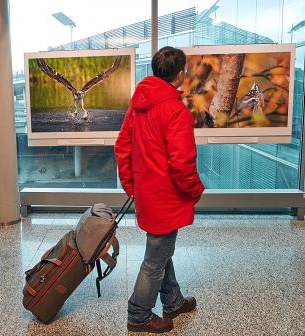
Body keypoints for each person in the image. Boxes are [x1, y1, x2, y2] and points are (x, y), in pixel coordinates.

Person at [115, 46, 205, 333]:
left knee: (161, 250)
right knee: (154, 260)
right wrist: (195, 190)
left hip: (148, 194)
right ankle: (138, 314)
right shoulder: (176, 111)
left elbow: (123, 148)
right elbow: (181, 164)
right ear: (180, 75)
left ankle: (174, 301)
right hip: (167, 197)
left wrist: (132, 185)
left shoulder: (137, 105)